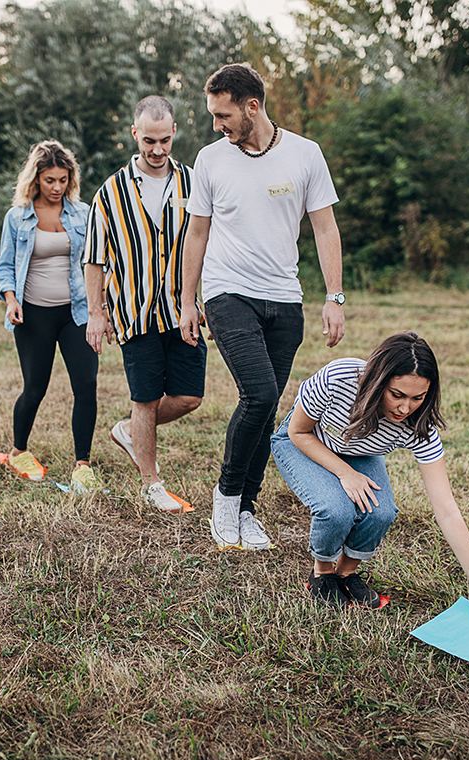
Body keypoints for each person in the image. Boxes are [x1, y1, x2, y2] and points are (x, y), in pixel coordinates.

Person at [179, 63, 347, 549]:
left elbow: (325, 228)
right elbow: (197, 232)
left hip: (284, 298)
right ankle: (227, 498)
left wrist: (333, 296)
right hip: (227, 291)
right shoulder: (211, 160)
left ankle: (247, 510)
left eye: (223, 114)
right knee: (258, 394)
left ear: (253, 106)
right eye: (213, 115)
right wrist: (188, 301)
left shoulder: (305, 154)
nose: (217, 125)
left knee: (269, 404)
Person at [271, 331, 469, 621]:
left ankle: (346, 573)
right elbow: (298, 432)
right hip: (305, 441)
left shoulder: (419, 427)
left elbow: (447, 511)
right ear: (378, 380)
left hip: (358, 451)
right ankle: (322, 573)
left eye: (417, 397)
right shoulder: (338, 378)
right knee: (336, 510)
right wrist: (345, 473)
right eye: (397, 395)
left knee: (381, 512)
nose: (404, 408)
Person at [84, 96, 204, 512]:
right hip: (134, 314)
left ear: (175, 134)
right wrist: (96, 314)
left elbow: (209, 242)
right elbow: (95, 257)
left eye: (165, 140)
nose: (157, 150)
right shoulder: (111, 191)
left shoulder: (194, 184)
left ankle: (130, 431)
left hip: (182, 309)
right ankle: (151, 482)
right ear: (135, 133)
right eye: (149, 140)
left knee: (190, 396)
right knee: (146, 399)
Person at [0, 140, 99, 490]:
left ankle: (82, 464)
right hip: (33, 314)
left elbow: (98, 263)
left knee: (86, 385)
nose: (57, 188)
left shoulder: (82, 214)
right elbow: (5, 266)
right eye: (50, 180)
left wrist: (103, 309)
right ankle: (18, 450)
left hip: (77, 313)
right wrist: (11, 300)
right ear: (36, 178)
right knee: (35, 387)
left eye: (63, 180)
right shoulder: (17, 217)